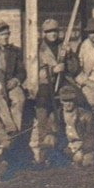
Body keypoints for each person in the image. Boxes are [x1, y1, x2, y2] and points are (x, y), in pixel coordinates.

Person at [30, 17, 77, 164]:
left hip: (64, 82)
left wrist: (69, 56)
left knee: (76, 98)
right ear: (44, 33)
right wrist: (53, 70)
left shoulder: (64, 46)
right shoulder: (38, 49)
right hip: (46, 83)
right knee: (43, 103)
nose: (53, 34)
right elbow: (35, 72)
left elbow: (74, 69)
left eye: (55, 31)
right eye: (49, 32)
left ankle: (70, 142)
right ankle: (44, 145)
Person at [57, 83, 94, 166]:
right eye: (65, 101)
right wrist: (64, 147)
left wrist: (82, 149)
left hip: (82, 146)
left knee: (87, 162)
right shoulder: (57, 115)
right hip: (66, 146)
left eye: (70, 100)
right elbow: (55, 135)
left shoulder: (85, 115)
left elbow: (92, 136)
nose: (68, 104)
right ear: (61, 101)